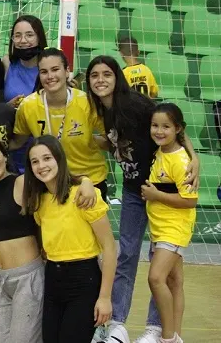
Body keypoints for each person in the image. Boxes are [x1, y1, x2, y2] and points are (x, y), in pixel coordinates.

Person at [84, 55, 199, 343]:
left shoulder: (134, 104)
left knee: (163, 270)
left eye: (106, 74)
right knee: (127, 255)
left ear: (117, 77)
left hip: (161, 192)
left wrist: (194, 155)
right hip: (134, 192)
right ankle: (117, 324)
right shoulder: (103, 111)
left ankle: (156, 328)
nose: (100, 80)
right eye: (94, 75)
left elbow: (169, 122)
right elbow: (121, 146)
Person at [0, 136, 97, 343]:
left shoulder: (22, 183)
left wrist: (86, 181)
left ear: (5, 156)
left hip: (27, 277)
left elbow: (59, 179)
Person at [24, 135, 116, 343]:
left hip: (84, 279)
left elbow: (109, 247)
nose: (41, 166)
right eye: (35, 161)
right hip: (53, 280)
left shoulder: (83, 196)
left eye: (47, 158)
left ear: (59, 159)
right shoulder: (39, 200)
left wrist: (105, 297)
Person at [13, 48, 109, 199]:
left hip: (90, 180)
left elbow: (110, 142)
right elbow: (18, 142)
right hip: (50, 181)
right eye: (44, 72)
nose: (50, 76)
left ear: (67, 71)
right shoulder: (28, 106)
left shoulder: (88, 103)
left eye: (55, 69)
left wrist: (89, 138)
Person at [142, 104, 198, 343]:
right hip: (159, 228)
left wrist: (157, 196)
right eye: (155, 126)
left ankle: (167, 337)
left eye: (166, 126)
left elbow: (190, 200)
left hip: (174, 230)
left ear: (177, 129)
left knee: (155, 278)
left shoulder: (180, 160)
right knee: (175, 282)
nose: (159, 131)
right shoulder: (159, 152)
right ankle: (178, 336)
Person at [3, 15, 47, 107]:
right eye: (17, 36)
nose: (23, 41)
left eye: (29, 35)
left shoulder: (50, 65)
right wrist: (7, 107)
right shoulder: (7, 62)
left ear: (39, 38)